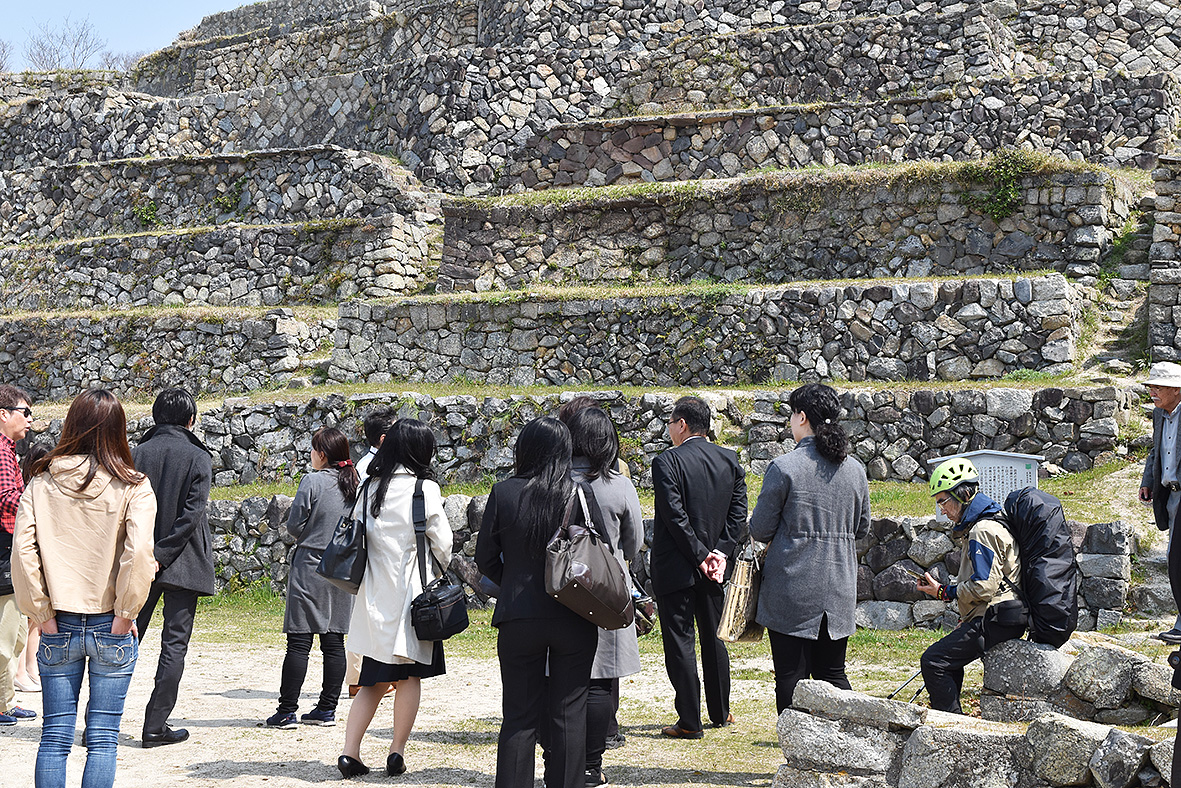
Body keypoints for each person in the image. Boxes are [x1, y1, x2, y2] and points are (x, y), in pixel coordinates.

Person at [12, 388, 157, 788]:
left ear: (71, 423)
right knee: (104, 739)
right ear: (119, 430)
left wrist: (40, 613)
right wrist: (127, 613)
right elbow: (140, 554)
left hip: (57, 620)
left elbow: (23, 553)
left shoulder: (42, 481)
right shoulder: (133, 486)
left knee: (55, 736)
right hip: (110, 621)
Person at [476, 417, 600, 788]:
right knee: (568, 713)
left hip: (518, 615)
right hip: (575, 614)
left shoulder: (503, 492)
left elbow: (484, 558)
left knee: (518, 715)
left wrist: (513, 581)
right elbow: (599, 552)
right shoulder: (579, 493)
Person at [338, 418, 453, 778]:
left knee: (372, 680)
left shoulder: (369, 488)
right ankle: (396, 750)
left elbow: (356, 538)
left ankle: (349, 752)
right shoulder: (424, 489)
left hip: (374, 600)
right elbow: (444, 545)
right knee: (409, 678)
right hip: (413, 600)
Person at [749, 383, 871, 713]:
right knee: (833, 673)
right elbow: (862, 528)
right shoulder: (856, 470)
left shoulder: (785, 467)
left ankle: (797, 754)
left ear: (801, 417)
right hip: (839, 586)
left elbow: (759, 529)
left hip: (792, 586)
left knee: (791, 675)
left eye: (792, 414)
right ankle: (842, 746)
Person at [650, 395, 747, 738]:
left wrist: (699, 555)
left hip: (677, 566)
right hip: (716, 570)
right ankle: (721, 711)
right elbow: (738, 515)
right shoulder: (730, 460)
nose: (670, 431)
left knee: (680, 642)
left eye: (671, 425)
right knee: (714, 638)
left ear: (682, 424)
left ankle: (689, 720)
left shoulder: (666, 462)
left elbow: (675, 518)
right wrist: (718, 554)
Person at [132, 388, 214, 748]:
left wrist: (149, 555)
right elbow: (191, 516)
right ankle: (155, 726)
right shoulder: (198, 456)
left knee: (123, 639)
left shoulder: (137, 454)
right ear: (190, 419)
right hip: (182, 561)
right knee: (174, 646)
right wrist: (163, 555)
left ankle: (100, 721)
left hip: (138, 562)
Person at [566, 406, 642, 786]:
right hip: (606, 592)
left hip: (562, 590)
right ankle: (592, 767)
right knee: (599, 682)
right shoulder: (620, 486)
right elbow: (634, 543)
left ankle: (561, 763)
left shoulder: (555, 481)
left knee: (561, 680)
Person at [916, 457, 1025, 714]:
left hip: (997, 618)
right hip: (999, 614)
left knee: (933, 661)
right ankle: (952, 719)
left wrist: (944, 591)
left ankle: (951, 724)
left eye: (943, 500)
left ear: (963, 495)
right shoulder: (986, 523)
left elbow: (983, 587)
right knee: (946, 661)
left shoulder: (982, 531)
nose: (941, 509)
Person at [266, 426, 358, 729]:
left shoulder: (312, 481)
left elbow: (294, 526)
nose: (310, 454)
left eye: (313, 449)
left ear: (322, 454)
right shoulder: (355, 483)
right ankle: (326, 709)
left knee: (299, 642)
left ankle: (287, 710)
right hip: (343, 570)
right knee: (334, 643)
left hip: (311, 568)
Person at [345, 406, 399, 696]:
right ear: (382, 438)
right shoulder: (369, 468)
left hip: (375, 546)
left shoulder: (369, 464)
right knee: (364, 614)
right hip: (369, 547)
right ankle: (357, 678)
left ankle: (380, 673)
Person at [0, 384, 35, 727]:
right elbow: (6, 497)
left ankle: (7, 701)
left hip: (8, 546)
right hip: (3, 548)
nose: (30, 420)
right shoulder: (0, 451)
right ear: (4, 414)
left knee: (18, 629)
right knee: (6, 633)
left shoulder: (7, 450)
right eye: (25, 413)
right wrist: (38, 504)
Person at [1139, 362, 1181, 643]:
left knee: (1178, 559)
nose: (1153, 391)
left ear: (1177, 390)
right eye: (1151, 386)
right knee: (1173, 559)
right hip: (1171, 496)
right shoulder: (1159, 414)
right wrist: (1148, 482)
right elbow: (1155, 451)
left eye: (1158, 387)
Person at [13, 442, 50, 696]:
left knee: (35, 619)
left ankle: (30, 668)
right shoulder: (28, 492)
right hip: (31, 556)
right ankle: (19, 673)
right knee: (25, 619)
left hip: (41, 555)